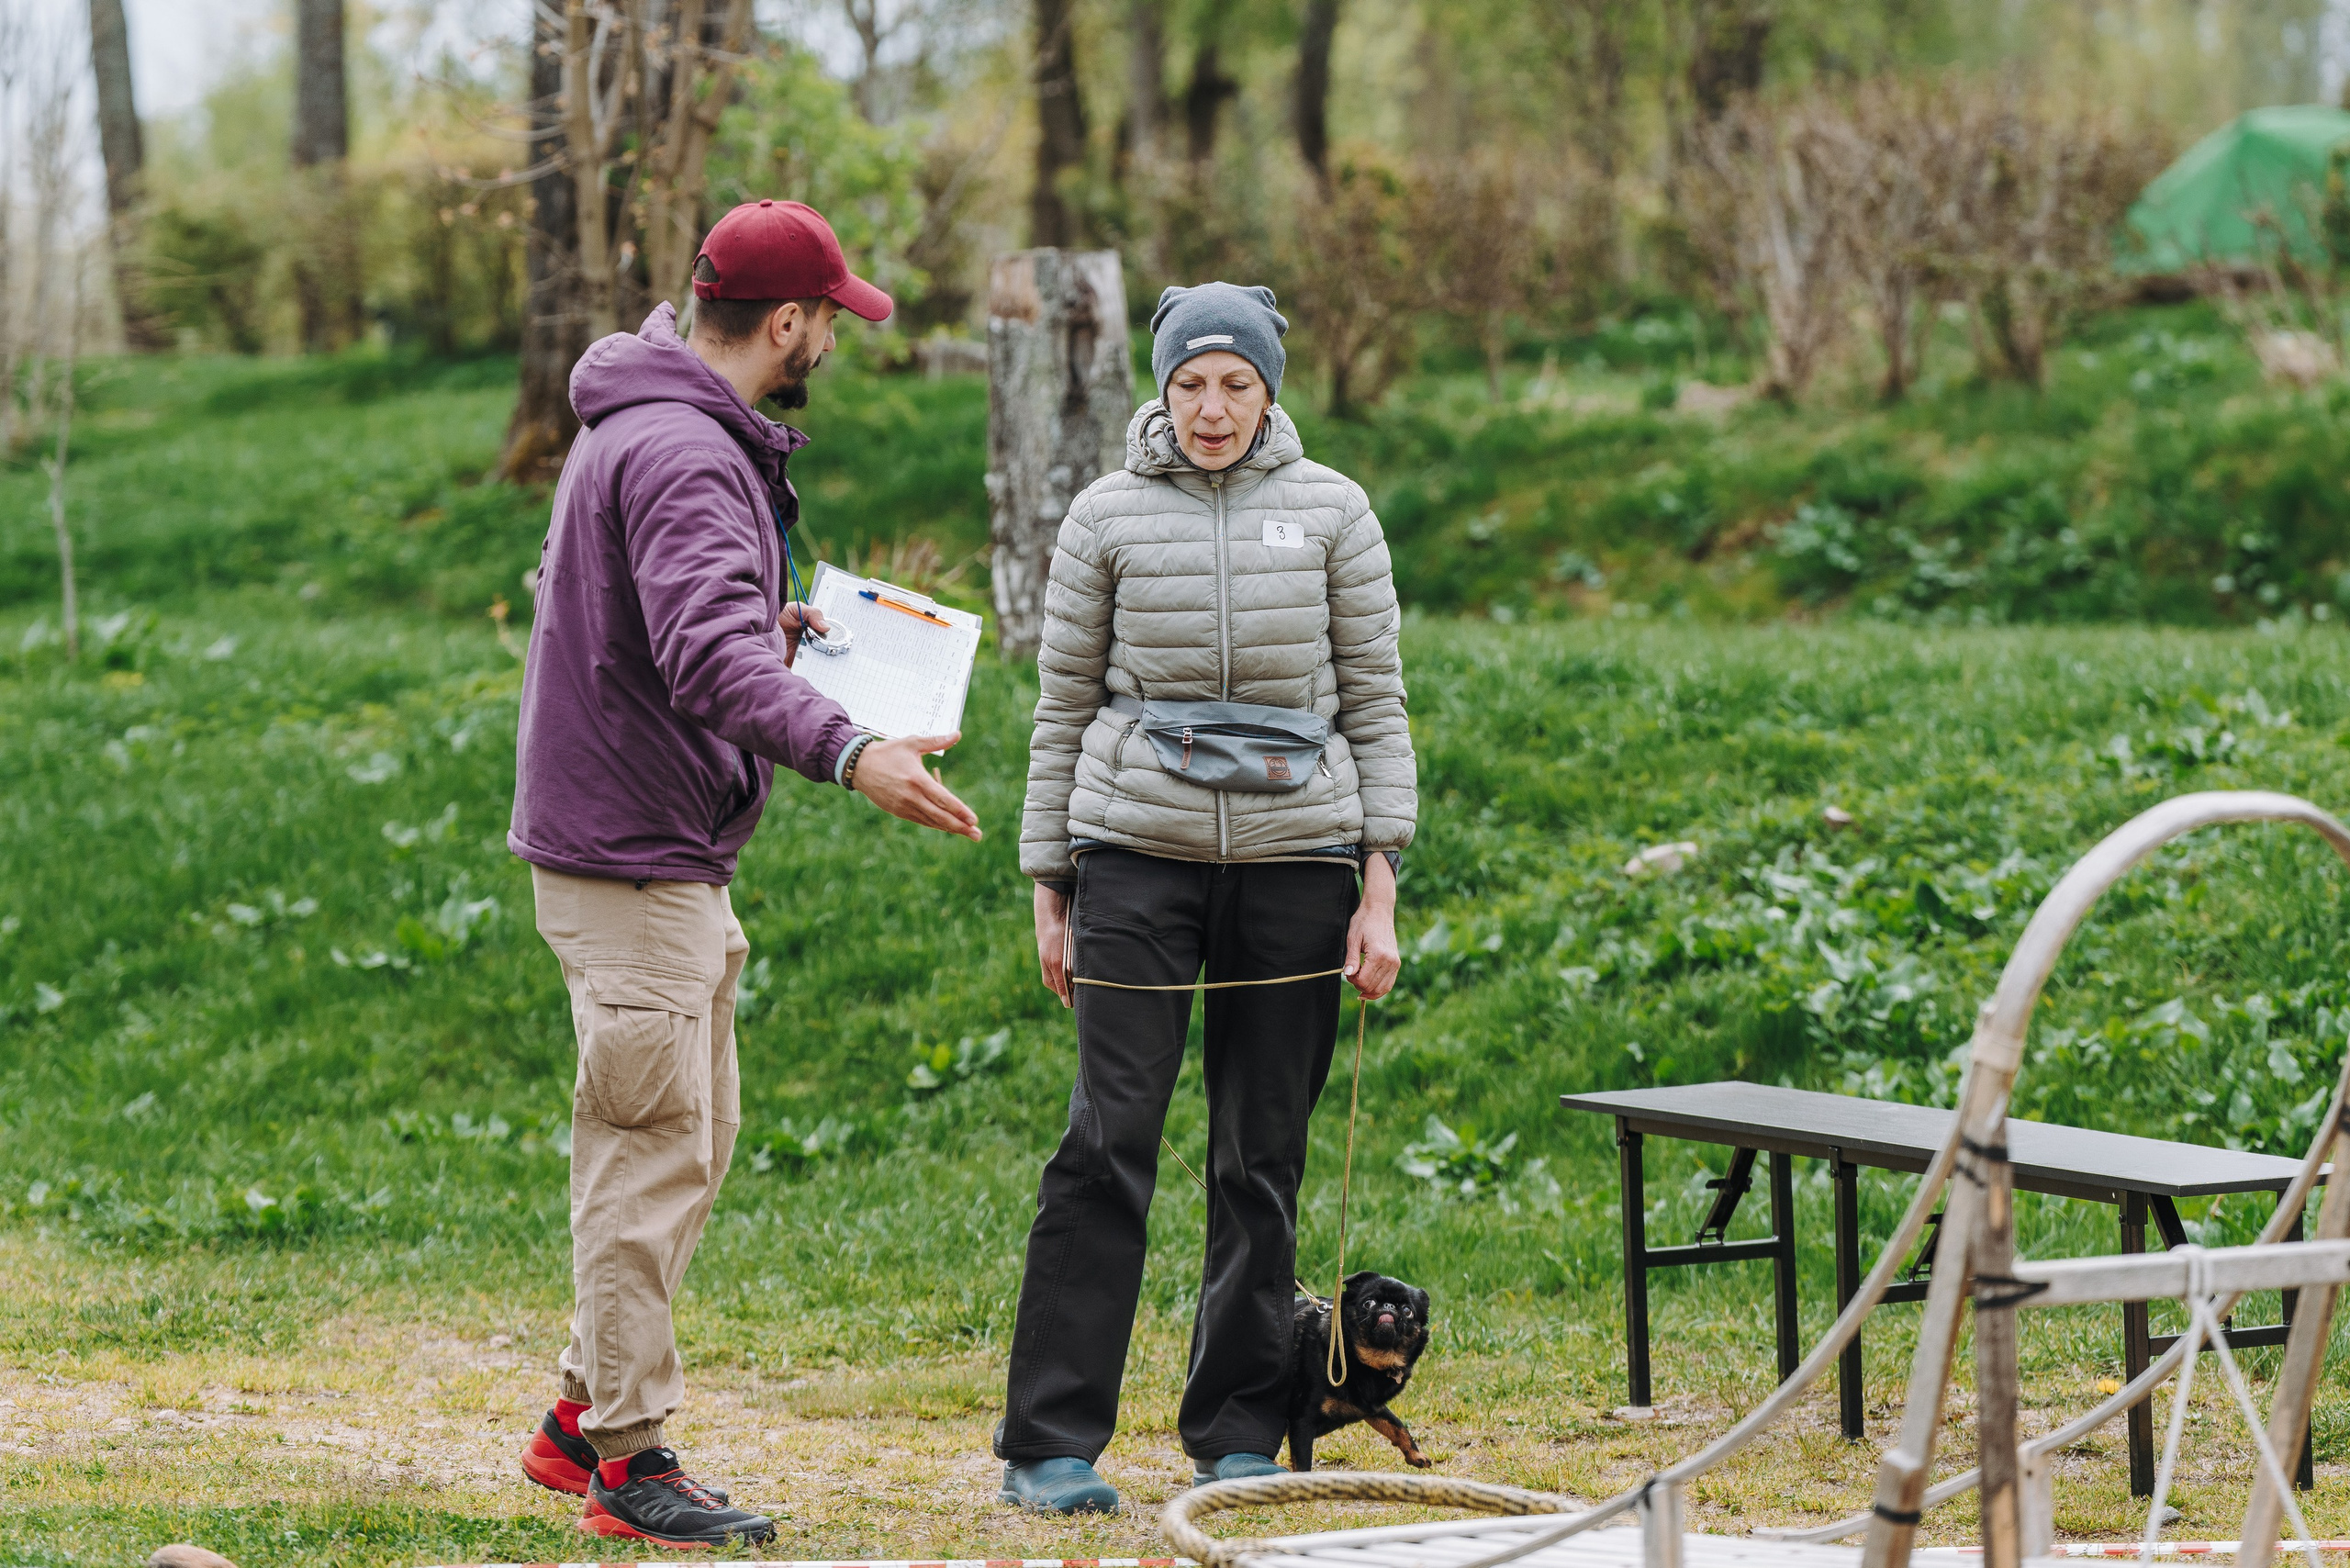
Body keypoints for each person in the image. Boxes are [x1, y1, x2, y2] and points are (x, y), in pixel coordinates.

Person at [507, 199, 981, 1550]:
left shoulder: (648, 425)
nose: (830, 334)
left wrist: (770, 629)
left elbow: (671, 627)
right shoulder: (685, 453)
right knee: (648, 1157)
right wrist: (852, 750)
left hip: (651, 846)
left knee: (688, 1141)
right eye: (828, 316)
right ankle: (630, 1464)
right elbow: (707, 666)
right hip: (633, 856)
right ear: (786, 323)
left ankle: (574, 1424)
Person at [998, 281, 1416, 1514]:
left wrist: (1377, 889)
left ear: (1271, 389)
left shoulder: (1336, 512)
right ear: (1159, 387)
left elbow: (1377, 702)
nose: (1211, 409)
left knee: (1260, 1157)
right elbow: (1062, 707)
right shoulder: (1106, 514)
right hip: (1136, 857)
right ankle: (1049, 1445)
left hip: (1299, 865)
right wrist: (1050, 885)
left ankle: (1239, 1426)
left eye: (1236, 384)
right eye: (1189, 384)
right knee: (1106, 1142)